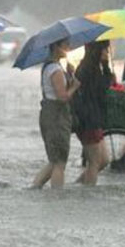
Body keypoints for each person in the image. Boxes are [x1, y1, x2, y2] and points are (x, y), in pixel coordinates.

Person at [31, 38, 81, 189]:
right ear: (55, 47)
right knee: (60, 161)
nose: (68, 48)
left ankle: (34, 188)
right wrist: (75, 86)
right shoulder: (55, 69)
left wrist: (70, 75)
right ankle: (57, 197)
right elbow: (62, 97)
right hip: (56, 117)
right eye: (65, 45)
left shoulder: (51, 67)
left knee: (54, 160)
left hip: (50, 115)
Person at [73, 40, 115, 185]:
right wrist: (107, 69)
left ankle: (76, 186)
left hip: (94, 119)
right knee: (95, 161)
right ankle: (88, 194)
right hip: (88, 120)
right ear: (97, 50)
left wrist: (105, 67)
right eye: (105, 49)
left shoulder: (94, 67)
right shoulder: (87, 69)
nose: (107, 52)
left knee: (103, 160)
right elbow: (100, 90)